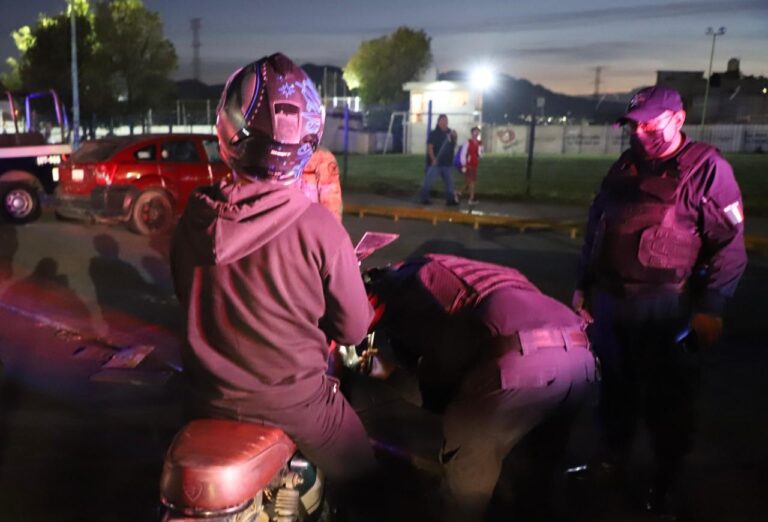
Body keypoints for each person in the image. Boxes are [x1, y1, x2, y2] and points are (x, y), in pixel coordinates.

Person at [170, 54, 376, 487]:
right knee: (367, 476)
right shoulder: (321, 228)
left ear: (228, 132)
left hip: (205, 397)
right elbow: (354, 328)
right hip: (297, 405)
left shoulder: (194, 216)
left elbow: (183, 291)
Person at [572, 85, 747, 515]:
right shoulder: (625, 165)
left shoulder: (707, 169)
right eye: (634, 125)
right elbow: (598, 229)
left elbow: (730, 247)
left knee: (668, 401)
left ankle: (664, 481)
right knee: (614, 391)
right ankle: (611, 463)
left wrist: (712, 308)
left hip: (667, 308)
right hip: (612, 303)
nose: (640, 133)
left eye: (650, 124)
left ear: (679, 119)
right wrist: (584, 284)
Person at [367, 254, 597, 521]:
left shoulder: (415, 286)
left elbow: (435, 389)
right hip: (582, 361)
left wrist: (388, 374)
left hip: (517, 364)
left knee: (470, 474)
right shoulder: (481, 271)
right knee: (540, 463)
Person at [419, 114, 460, 206]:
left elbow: (454, 144)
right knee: (428, 181)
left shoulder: (450, 132)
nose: (444, 122)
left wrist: (455, 136)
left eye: (446, 120)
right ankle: (424, 198)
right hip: (435, 163)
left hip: (447, 163)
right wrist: (433, 159)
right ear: (438, 122)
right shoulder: (433, 133)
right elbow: (430, 147)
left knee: (450, 183)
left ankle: (450, 200)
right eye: (442, 120)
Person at [298, 146, 343, 221]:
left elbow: (331, 201)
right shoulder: (279, 155)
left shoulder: (322, 157)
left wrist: (330, 225)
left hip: (311, 222)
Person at [457, 126, 482, 205]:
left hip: (475, 164)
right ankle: (471, 199)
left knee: (469, 182)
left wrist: (479, 156)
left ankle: (459, 193)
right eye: (475, 131)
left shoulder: (479, 143)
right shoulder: (468, 142)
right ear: (471, 133)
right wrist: (464, 164)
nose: (476, 133)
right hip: (468, 164)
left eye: (477, 132)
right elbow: (463, 153)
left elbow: (479, 153)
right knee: (472, 182)